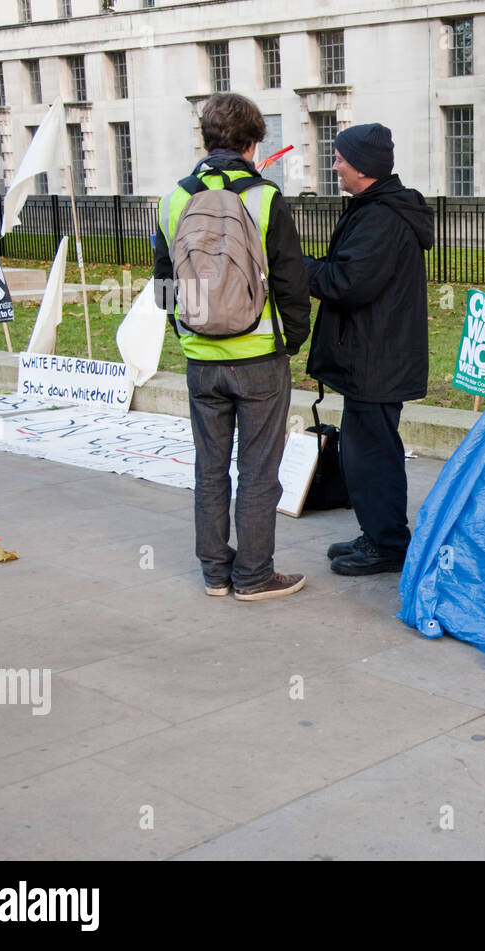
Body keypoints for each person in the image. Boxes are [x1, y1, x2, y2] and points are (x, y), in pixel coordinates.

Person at [154, 92, 311, 601]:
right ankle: (254, 575)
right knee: (260, 469)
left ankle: (215, 574)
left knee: (209, 468)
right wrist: (290, 340)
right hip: (260, 357)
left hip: (201, 360)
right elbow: (291, 283)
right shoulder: (265, 198)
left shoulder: (174, 200)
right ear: (252, 141)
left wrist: (188, 330)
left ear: (204, 139)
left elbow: (164, 285)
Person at [304, 123, 434, 575]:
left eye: (339, 157)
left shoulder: (381, 217)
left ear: (361, 165)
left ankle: (388, 545)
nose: (335, 164)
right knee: (365, 452)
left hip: (378, 359)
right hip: (372, 355)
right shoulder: (374, 208)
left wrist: (294, 266)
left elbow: (346, 283)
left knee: (373, 455)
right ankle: (378, 534)